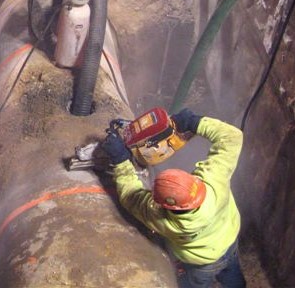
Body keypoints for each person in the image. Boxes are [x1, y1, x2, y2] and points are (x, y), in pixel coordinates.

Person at [102, 108, 247, 288]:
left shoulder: (160, 218)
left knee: (195, 284)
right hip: (230, 242)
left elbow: (130, 197)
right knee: (232, 275)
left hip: (200, 264)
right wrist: (195, 122)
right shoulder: (214, 182)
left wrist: (121, 161)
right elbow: (232, 138)